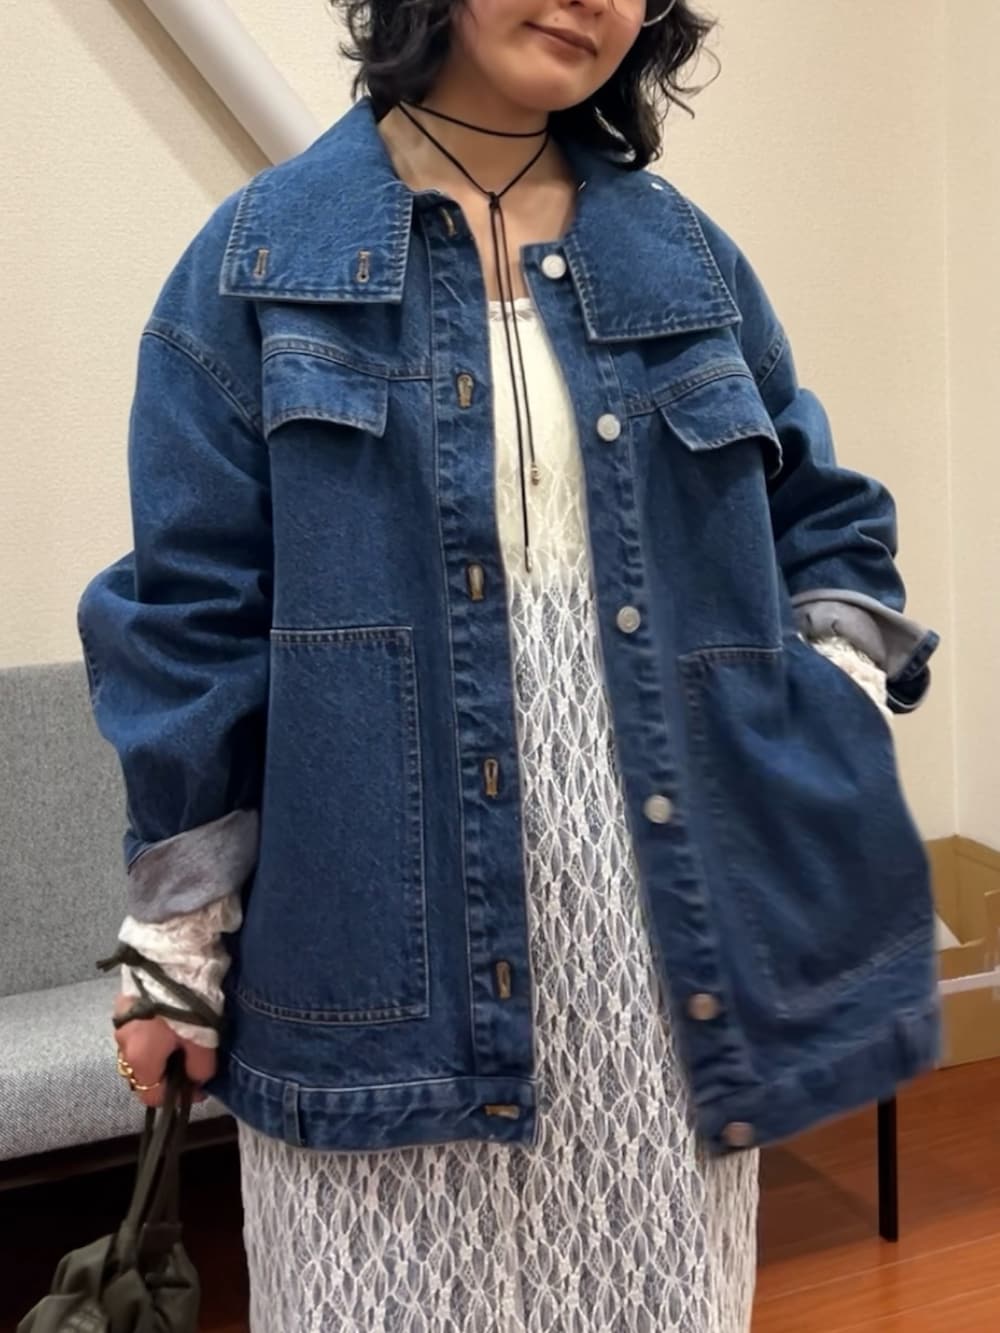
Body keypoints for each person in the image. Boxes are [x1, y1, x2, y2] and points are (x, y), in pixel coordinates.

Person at [77, 1, 942, 1328]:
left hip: (659, 965)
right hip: (373, 967)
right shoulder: (256, 260)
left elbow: (825, 523)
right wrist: (176, 948)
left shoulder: (684, 260)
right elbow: (189, 624)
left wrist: (820, 698)